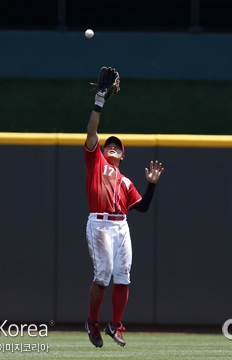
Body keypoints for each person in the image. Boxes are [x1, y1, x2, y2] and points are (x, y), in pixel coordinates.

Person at [84, 67, 164, 347]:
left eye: (117, 146)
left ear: (123, 154)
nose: (112, 147)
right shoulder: (96, 163)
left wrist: (151, 185)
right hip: (100, 223)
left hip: (121, 226)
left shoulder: (126, 181)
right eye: (109, 145)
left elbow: (141, 208)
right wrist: (99, 102)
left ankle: (115, 325)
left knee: (123, 275)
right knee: (103, 275)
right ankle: (92, 323)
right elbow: (92, 131)